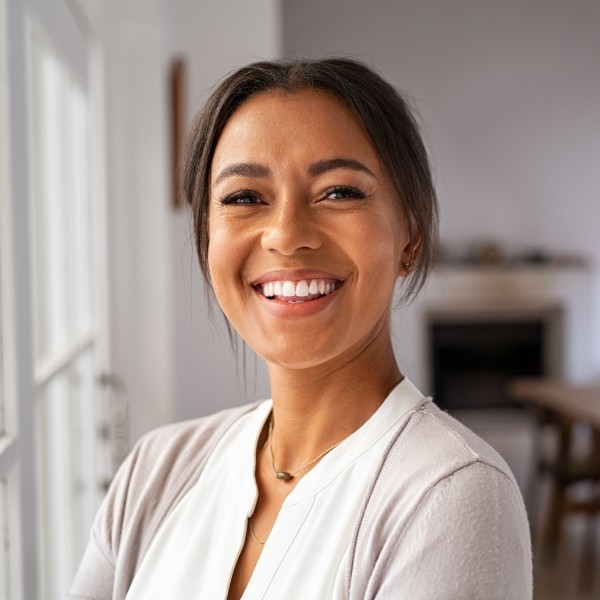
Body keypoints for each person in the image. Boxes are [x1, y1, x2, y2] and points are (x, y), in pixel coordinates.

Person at [68, 58, 532, 599]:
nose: (287, 236)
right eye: (244, 198)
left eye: (339, 192)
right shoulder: (156, 472)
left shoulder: (450, 494)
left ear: (410, 235)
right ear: (206, 242)